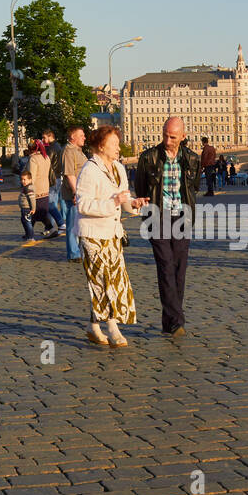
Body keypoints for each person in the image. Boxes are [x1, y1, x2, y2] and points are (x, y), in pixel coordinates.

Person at [76, 125, 144, 348]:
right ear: (101, 146)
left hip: (113, 233)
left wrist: (133, 203)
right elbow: (83, 204)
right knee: (102, 281)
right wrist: (112, 202)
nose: (118, 148)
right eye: (114, 144)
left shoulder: (118, 169)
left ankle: (93, 325)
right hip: (92, 235)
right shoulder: (89, 170)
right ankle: (112, 327)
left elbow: (123, 199)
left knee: (115, 280)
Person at [135, 116, 201, 338]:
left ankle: (168, 322)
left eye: (172, 136)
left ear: (183, 136)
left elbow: (194, 187)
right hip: (157, 216)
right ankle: (177, 320)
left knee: (179, 269)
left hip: (182, 217)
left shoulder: (192, 159)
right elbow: (141, 188)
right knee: (165, 266)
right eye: (164, 134)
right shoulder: (149, 157)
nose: (167, 140)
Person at [60, 125, 87, 262]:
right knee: (73, 224)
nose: (84, 137)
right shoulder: (69, 151)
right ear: (73, 137)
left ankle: (79, 250)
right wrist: (76, 193)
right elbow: (70, 174)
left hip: (82, 193)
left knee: (79, 224)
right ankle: (74, 253)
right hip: (74, 195)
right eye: (81, 135)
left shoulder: (78, 151)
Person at [27, 142, 58, 238]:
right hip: (45, 187)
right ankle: (29, 231)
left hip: (36, 189)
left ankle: (49, 228)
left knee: (35, 211)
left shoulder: (33, 159)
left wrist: (28, 187)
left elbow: (31, 175)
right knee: (38, 211)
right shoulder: (46, 157)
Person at [42, 129, 64, 228]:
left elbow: (47, 162)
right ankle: (55, 225)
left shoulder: (51, 148)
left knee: (50, 204)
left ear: (50, 136)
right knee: (53, 202)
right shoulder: (58, 146)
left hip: (51, 178)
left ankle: (51, 226)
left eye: (44, 137)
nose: (43, 140)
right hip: (57, 177)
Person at [18, 170, 36, 240]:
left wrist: (33, 208)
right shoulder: (25, 187)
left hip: (27, 208)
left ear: (30, 180)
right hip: (23, 208)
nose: (23, 181)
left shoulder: (28, 188)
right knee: (24, 221)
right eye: (22, 179)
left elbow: (32, 199)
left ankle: (31, 236)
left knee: (27, 222)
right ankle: (27, 234)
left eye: (25, 179)